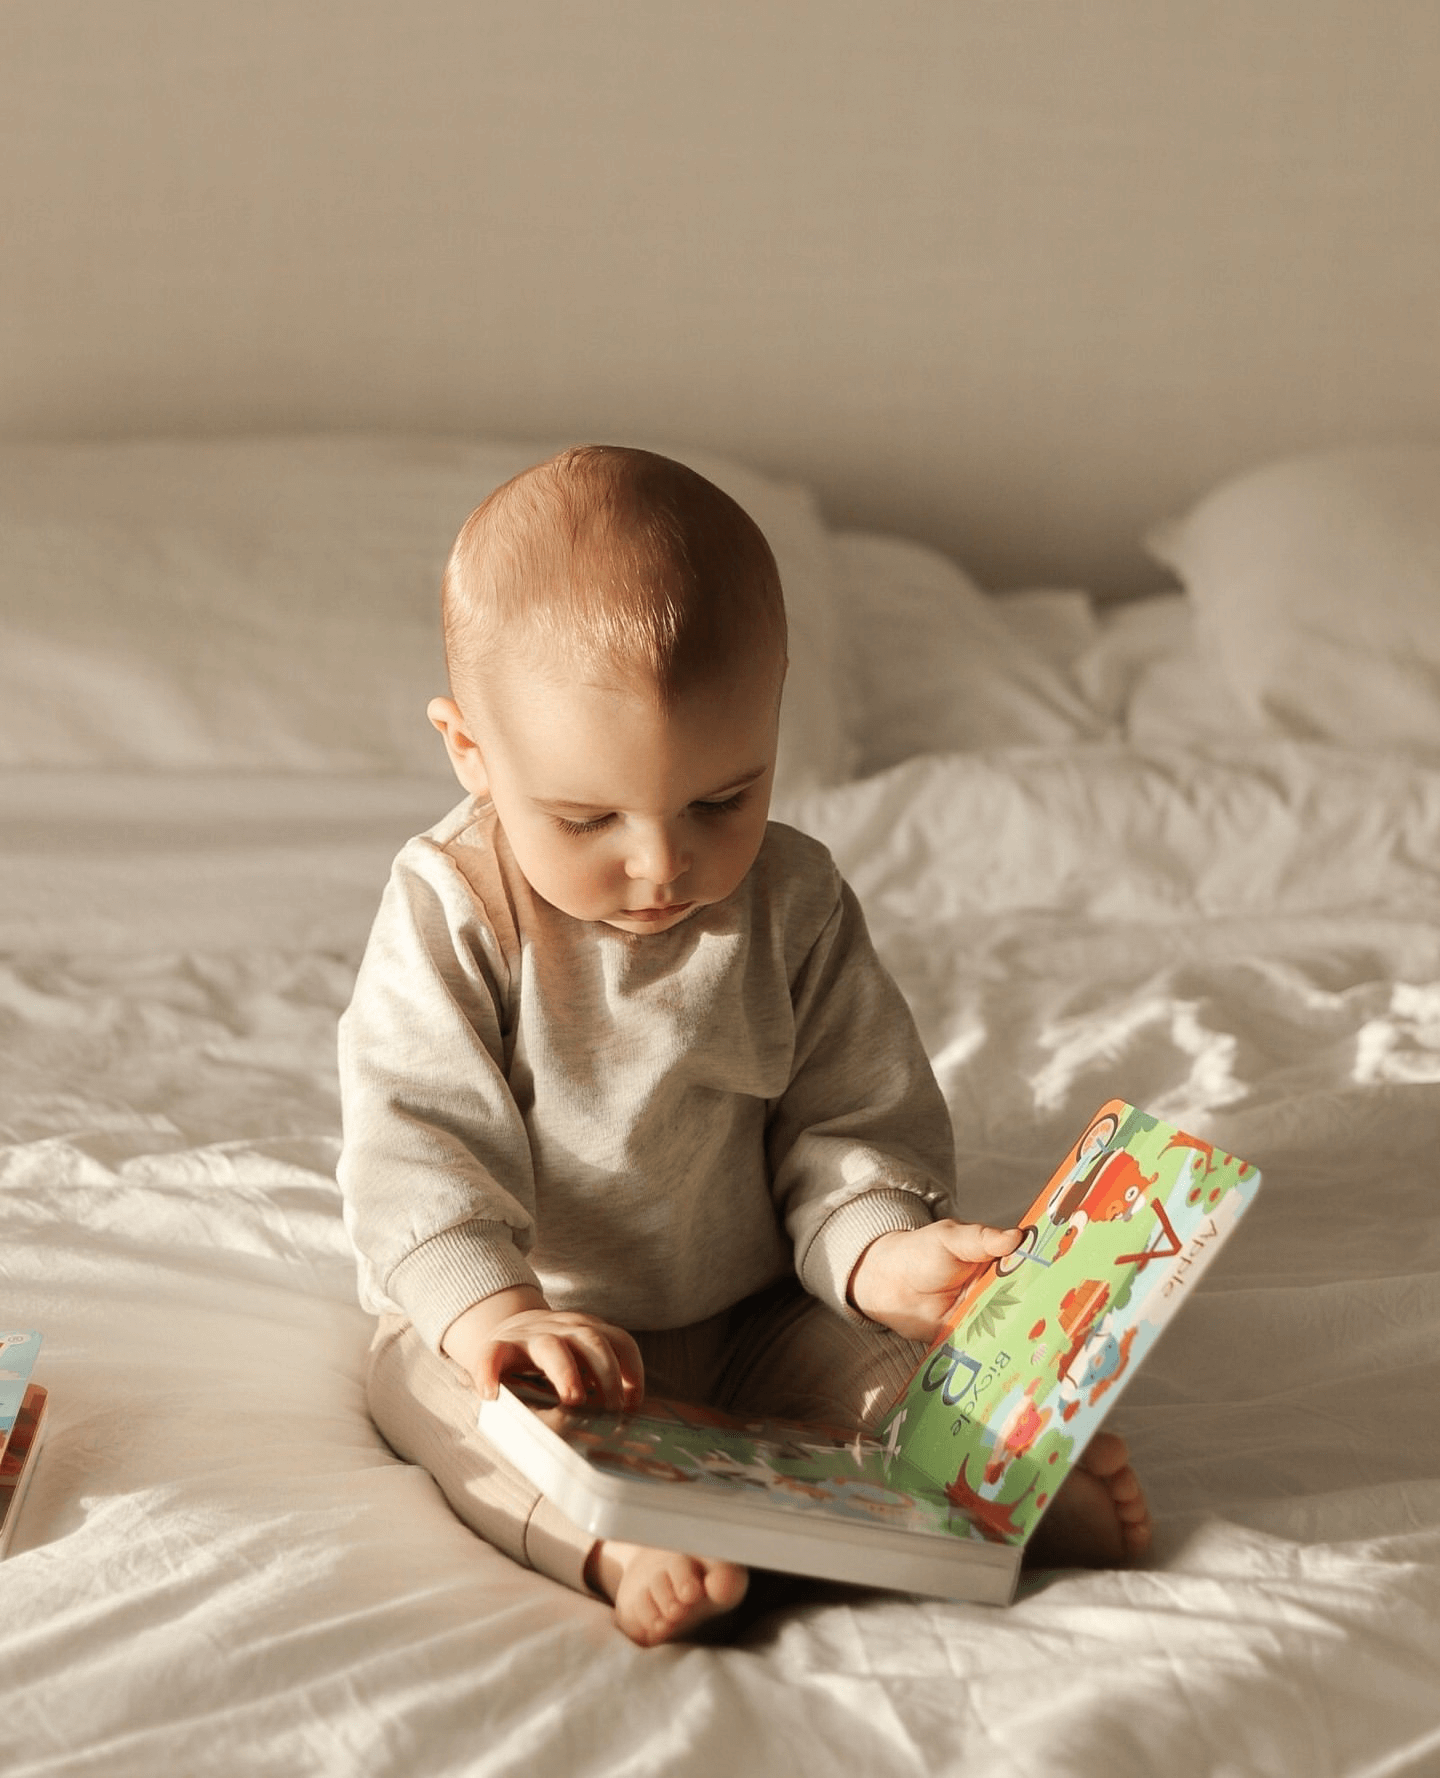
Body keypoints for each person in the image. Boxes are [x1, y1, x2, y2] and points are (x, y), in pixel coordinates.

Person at [337, 445, 1151, 1646]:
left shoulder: (796, 901)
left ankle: (986, 1494)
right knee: (436, 1401)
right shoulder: (453, 906)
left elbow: (847, 1115)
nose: (662, 863)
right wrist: (494, 1312)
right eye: (586, 817)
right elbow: (416, 1139)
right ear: (470, 752)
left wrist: (880, 1253)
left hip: (758, 1302)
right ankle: (614, 1535)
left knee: (886, 1377)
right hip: (544, 1318)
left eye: (723, 797)